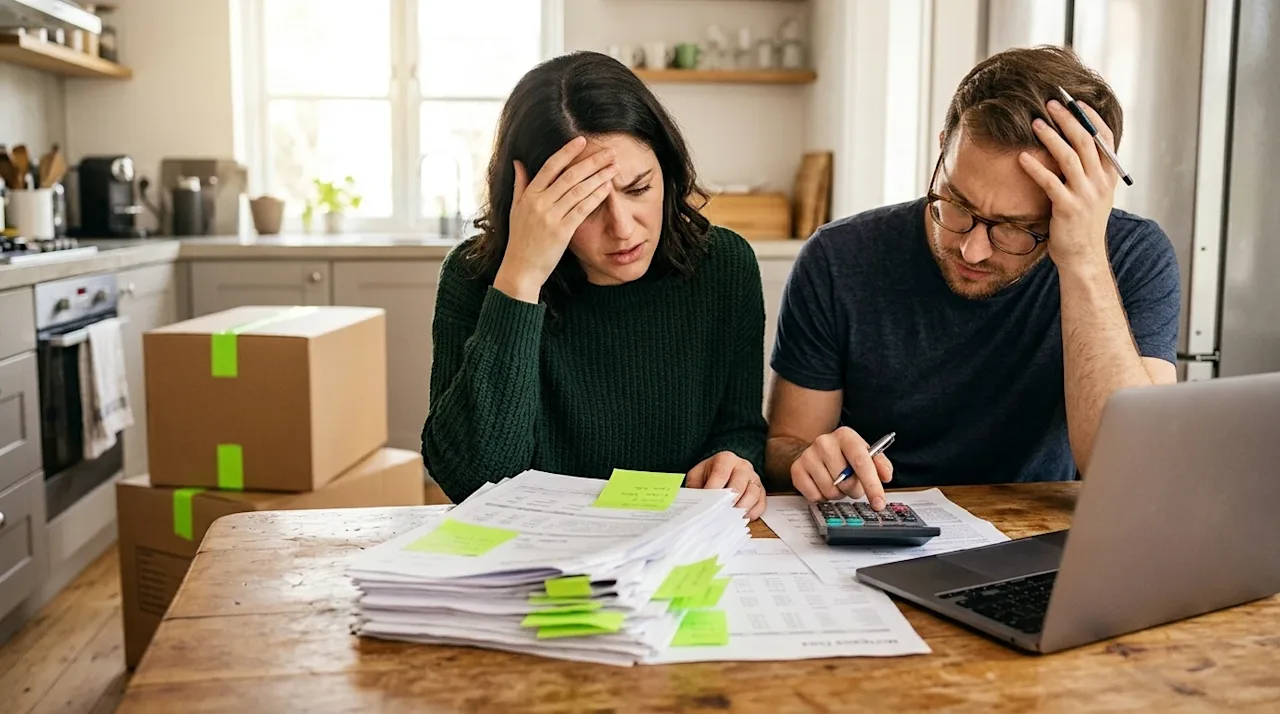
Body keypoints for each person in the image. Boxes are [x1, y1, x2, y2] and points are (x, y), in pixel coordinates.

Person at [765, 45, 1180, 509]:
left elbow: (1129, 475)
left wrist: (1082, 258)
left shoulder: (1132, 256)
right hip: (879, 525)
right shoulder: (838, 256)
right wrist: (811, 459)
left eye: (1016, 228)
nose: (971, 248)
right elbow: (785, 446)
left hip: (1032, 535)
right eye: (957, 204)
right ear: (943, 148)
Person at [422, 51, 768, 518]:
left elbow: (740, 428)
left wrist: (737, 462)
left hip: (679, 546)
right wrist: (522, 276)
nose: (623, 228)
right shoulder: (477, 277)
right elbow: (471, 480)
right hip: (531, 550)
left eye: (639, 188)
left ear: (666, 169)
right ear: (529, 203)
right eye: (584, 204)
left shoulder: (724, 266)